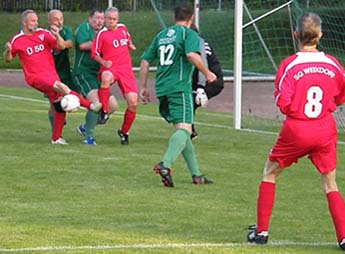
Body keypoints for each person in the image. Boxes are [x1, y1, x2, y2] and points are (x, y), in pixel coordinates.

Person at [247, 13, 345, 251]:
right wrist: (330, 105)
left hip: (297, 127)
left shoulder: (289, 65)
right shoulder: (332, 63)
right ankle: (343, 238)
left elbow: (282, 100)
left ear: (295, 35)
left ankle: (261, 233)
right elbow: (342, 93)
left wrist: (296, 109)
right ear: (320, 35)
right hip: (324, 127)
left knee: (270, 172)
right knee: (330, 183)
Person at [139, 2, 217, 187]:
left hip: (162, 89)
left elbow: (144, 60)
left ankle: (196, 174)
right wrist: (208, 73)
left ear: (174, 17)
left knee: (183, 129)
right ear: (191, 18)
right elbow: (191, 55)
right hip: (179, 88)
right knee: (184, 130)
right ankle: (165, 164)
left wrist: (143, 87)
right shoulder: (188, 34)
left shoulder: (162, 35)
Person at [3, 9, 101, 145]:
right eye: (33, 21)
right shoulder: (17, 39)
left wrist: (56, 35)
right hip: (35, 77)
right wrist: (8, 50)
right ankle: (90, 105)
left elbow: (61, 46)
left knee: (59, 105)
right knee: (61, 87)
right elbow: (8, 59)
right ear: (24, 23)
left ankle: (56, 138)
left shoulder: (43, 34)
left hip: (51, 73)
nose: (36, 23)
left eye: (37, 20)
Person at [91, 7, 138, 145]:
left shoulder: (123, 28)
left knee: (133, 103)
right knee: (105, 77)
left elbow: (127, 40)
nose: (111, 21)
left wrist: (130, 44)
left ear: (117, 20)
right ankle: (105, 111)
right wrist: (104, 62)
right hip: (111, 68)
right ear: (105, 19)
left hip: (126, 70)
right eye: (108, 19)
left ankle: (124, 131)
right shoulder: (101, 34)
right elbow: (94, 53)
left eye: (114, 19)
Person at [73, 8, 118, 145]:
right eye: (96, 18)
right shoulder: (84, 28)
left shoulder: (105, 33)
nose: (99, 21)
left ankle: (86, 127)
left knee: (112, 106)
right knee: (96, 103)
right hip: (83, 73)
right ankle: (88, 137)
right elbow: (82, 45)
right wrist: (103, 44)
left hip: (99, 75)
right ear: (90, 19)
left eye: (101, 18)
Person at [190, 24, 224, 140]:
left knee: (188, 100)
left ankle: (188, 129)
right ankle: (190, 130)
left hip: (210, 80)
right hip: (208, 78)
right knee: (189, 101)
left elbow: (203, 63)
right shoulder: (198, 42)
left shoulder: (198, 44)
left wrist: (201, 88)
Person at [47, 9, 75, 130]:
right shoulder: (43, 34)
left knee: (67, 99)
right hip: (48, 74)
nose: (59, 22)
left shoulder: (66, 31)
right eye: (56, 19)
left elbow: (66, 44)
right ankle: (56, 131)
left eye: (61, 19)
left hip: (64, 73)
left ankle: (59, 120)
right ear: (49, 21)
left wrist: (57, 35)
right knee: (54, 104)